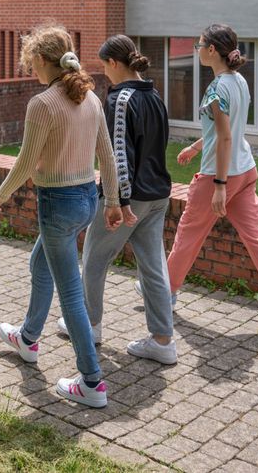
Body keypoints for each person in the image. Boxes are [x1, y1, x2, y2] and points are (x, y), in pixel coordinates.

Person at [0, 24, 123, 409]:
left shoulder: (43, 103)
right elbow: (108, 156)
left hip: (57, 204)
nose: (29, 66)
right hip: (86, 200)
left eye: (31, 59)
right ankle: (28, 337)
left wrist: (2, 194)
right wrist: (111, 200)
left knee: (70, 293)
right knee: (40, 261)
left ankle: (92, 381)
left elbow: (26, 161)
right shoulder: (92, 100)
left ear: (41, 60)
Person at [165, 23, 258, 334]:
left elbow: (226, 137)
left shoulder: (216, 89)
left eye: (199, 45)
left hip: (222, 174)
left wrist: (219, 186)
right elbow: (224, 131)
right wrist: (194, 146)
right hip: (246, 171)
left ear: (212, 50)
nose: (197, 50)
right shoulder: (239, 81)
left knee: (188, 235)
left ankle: (165, 295)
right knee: (257, 241)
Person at [55, 35, 177, 364]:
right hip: (158, 194)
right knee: (153, 267)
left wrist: (116, 201)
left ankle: (90, 326)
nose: (104, 75)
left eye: (104, 67)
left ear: (113, 63)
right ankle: (163, 340)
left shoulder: (120, 99)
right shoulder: (154, 94)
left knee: (94, 259)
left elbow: (118, 154)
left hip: (130, 198)